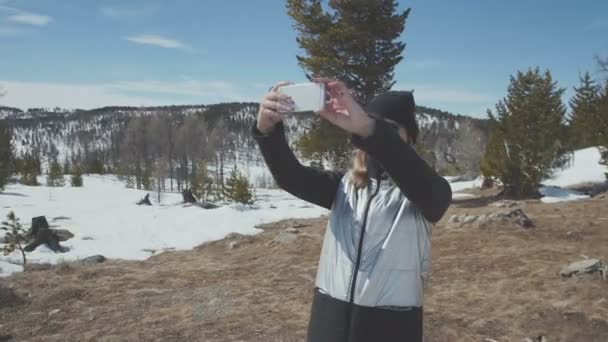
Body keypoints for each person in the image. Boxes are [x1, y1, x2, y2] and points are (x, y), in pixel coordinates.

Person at [252, 79, 452, 342]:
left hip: (390, 328)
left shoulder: (422, 193)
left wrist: (368, 127)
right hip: (329, 321)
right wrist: (267, 131)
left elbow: (434, 198)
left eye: (390, 129)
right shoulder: (343, 187)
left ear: (409, 138)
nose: (380, 134)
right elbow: (290, 177)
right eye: (377, 125)